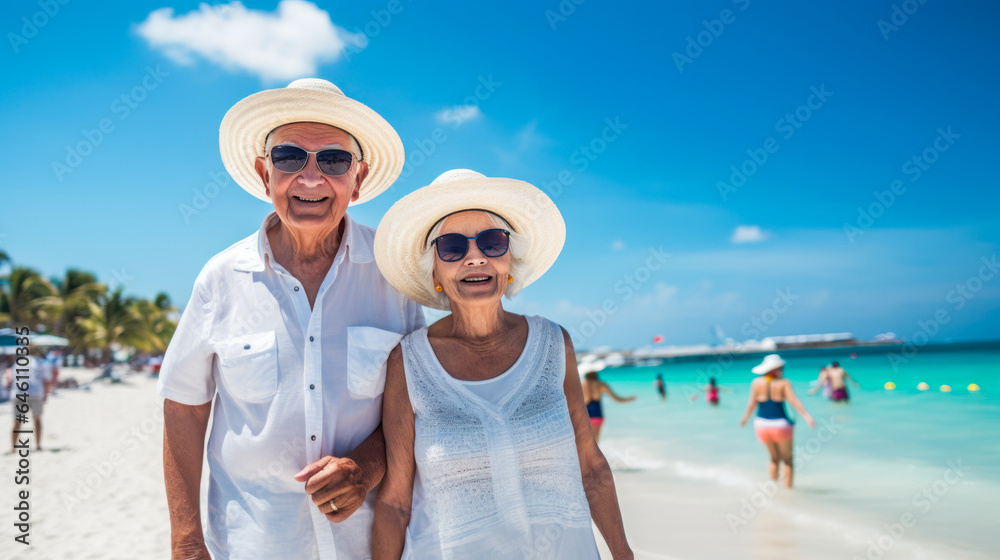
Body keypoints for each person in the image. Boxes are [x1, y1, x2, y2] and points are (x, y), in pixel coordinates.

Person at [158, 79, 424, 560]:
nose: (310, 177)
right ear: (265, 173)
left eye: (334, 160)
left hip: (370, 544)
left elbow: (420, 406)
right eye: (289, 157)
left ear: (357, 179)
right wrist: (185, 540)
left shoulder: (394, 274)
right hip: (250, 545)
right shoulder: (221, 277)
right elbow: (184, 407)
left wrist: (366, 466)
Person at [371, 170, 633, 559]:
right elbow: (395, 503)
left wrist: (623, 553)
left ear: (509, 259)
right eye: (453, 247)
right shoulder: (409, 362)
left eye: (492, 242)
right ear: (436, 271)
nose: (475, 257)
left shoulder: (553, 344)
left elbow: (591, 466)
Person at [739, 354, 815, 488]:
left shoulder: (756, 382)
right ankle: (789, 492)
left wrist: (744, 419)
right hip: (780, 425)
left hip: (761, 424)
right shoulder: (784, 383)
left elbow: (751, 404)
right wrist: (807, 417)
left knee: (774, 459)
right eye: (781, 367)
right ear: (776, 368)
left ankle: (773, 490)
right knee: (788, 461)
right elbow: (794, 401)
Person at [8, 353, 53, 453]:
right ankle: (38, 446)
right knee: (37, 419)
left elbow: (10, 377)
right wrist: (45, 396)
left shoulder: (18, 362)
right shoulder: (41, 362)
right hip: (36, 392)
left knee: (17, 421)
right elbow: (47, 381)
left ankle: (13, 448)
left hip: (19, 392)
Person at [584, 370, 637, 442]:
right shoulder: (601, 384)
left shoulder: (583, 383)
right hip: (597, 415)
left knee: (586, 441)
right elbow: (617, 399)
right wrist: (629, 399)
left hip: (585, 415)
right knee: (595, 441)